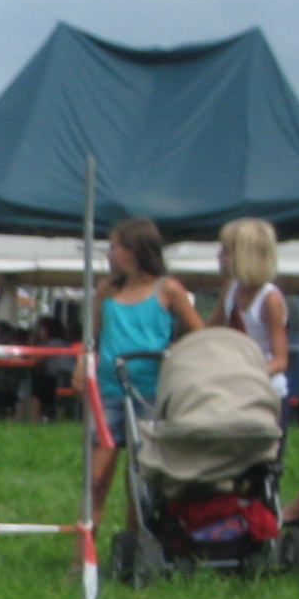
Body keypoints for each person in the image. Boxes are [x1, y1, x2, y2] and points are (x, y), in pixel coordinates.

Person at [86, 215, 204, 520]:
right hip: (109, 391)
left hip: (149, 394)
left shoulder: (168, 290)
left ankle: (135, 539)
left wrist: (174, 355)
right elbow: (92, 338)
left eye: (114, 247)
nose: (109, 255)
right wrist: (82, 366)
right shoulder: (106, 291)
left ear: (134, 251)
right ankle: (85, 545)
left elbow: (200, 334)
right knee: (96, 479)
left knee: (140, 479)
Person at [217, 216, 290, 415]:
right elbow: (209, 331)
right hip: (236, 393)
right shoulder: (230, 289)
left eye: (226, 251)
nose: (219, 256)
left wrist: (245, 374)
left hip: (267, 394)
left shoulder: (270, 299)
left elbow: (280, 360)